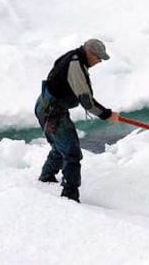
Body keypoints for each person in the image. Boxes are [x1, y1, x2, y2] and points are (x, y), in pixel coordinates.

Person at [34, 38, 119, 203]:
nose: (100, 61)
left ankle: (46, 178)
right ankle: (70, 196)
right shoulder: (76, 66)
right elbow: (87, 102)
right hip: (52, 112)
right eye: (98, 57)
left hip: (45, 105)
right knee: (72, 152)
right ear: (89, 52)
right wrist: (107, 114)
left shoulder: (74, 56)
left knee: (60, 147)